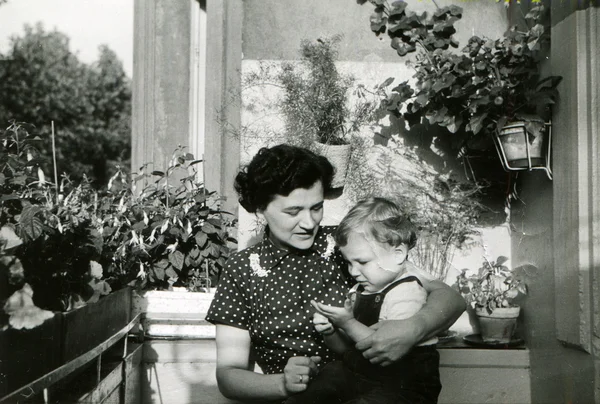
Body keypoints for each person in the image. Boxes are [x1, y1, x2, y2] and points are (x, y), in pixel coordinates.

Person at [205, 144, 465, 403]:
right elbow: (229, 375)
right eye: (293, 211)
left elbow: (449, 298)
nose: (309, 223)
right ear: (260, 208)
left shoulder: (348, 243)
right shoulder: (242, 269)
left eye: (316, 207)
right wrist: (282, 384)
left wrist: (413, 329)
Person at [287, 197, 441, 404]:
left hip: (403, 386)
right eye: (349, 262)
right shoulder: (359, 290)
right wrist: (330, 331)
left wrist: (348, 323)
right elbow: (346, 350)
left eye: (362, 262)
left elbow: (383, 347)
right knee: (326, 379)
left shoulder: (407, 292)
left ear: (397, 254)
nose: (353, 271)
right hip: (367, 377)